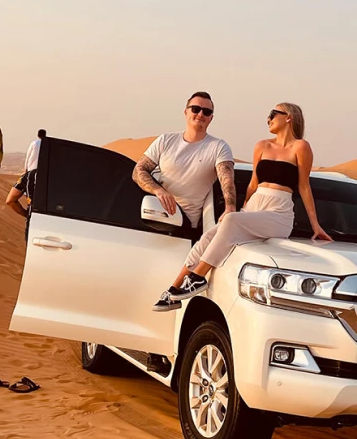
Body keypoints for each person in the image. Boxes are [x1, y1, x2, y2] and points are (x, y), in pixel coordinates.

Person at [152, 103, 332, 312]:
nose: (268, 119)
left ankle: (199, 276)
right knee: (209, 236)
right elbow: (253, 183)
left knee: (229, 220)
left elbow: (304, 186)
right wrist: (244, 209)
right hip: (254, 207)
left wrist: (315, 225)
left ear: (289, 117)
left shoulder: (300, 147)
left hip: (278, 212)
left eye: (273, 114)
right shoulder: (262, 146)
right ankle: (173, 290)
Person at [134, 91, 237, 311]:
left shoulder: (218, 147)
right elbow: (139, 171)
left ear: (211, 118)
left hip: (182, 229)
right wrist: (159, 191)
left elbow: (226, 179)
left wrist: (230, 207)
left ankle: (174, 291)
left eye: (206, 112)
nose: (200, 114)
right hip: (154, 220)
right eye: (196, 109)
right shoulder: (166, 141)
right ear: (185, 112)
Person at [6, 129, 47, 242]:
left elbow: (10, 201)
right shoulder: (56, 176)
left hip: (34, 220)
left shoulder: (34, 143)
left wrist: (27, 214)